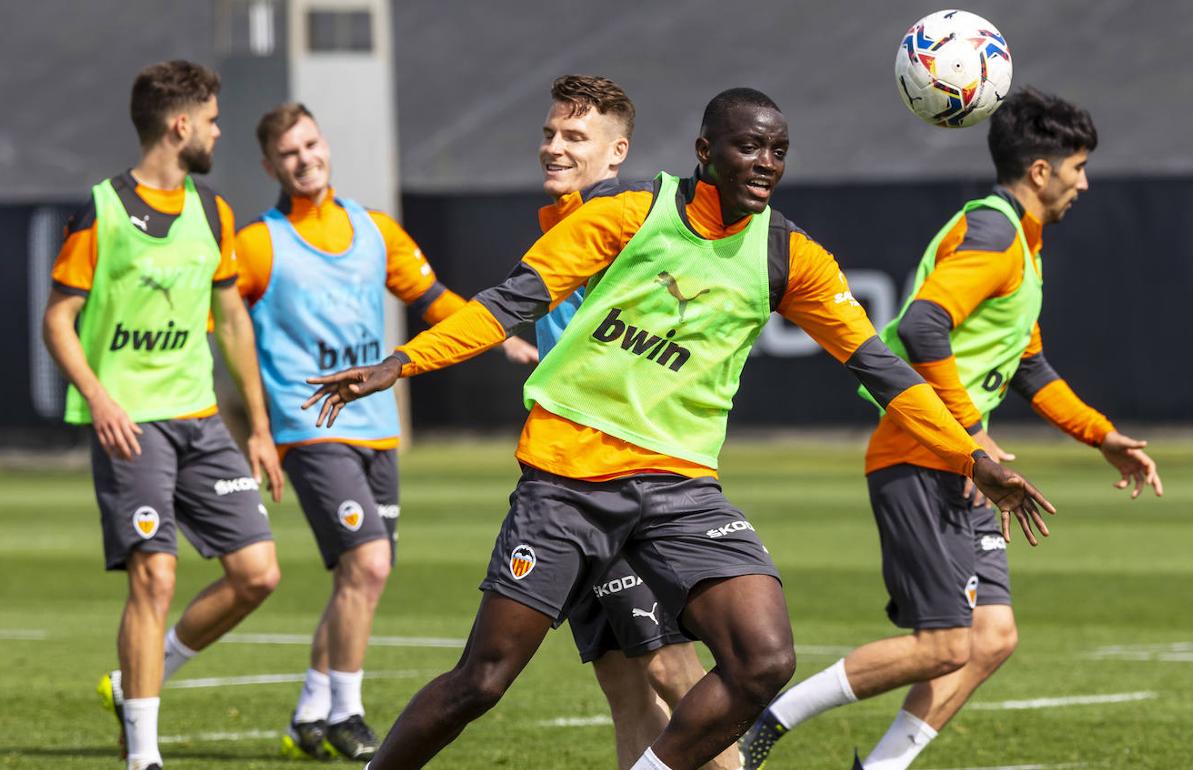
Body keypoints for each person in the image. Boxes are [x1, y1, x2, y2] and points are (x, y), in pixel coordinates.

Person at [305, 87, 1054, 770]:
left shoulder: (790, 256)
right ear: (705, 152)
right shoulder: (630, 211)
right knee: (483, 681)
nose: (766, 163)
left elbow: (883, 368)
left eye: (778, 152)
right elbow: (510, 301)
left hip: (679, 487)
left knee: (763, 659)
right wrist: (400, 363)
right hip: (568, 480)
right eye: (749, 147)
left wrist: (967, 453)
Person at [741, 87, 1163, 770]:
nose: (1084, 181)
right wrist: (972, 436)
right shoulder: (996, 235)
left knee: (991, 636)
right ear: (1040, 171)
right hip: (923, 457)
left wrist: (1102, 436)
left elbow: (1028, 365)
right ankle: (762, 724)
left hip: (962, 465)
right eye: (1078, 166)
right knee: (943, 645)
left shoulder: (1019, 242)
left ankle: (878, 769)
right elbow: (919, 325)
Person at [232, 102, 537, 761]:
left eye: (311, 144)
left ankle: (311, 710)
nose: (305, 158)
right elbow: (223, 326)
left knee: (362, 575)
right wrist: (255, 424)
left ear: (325, 145)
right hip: (311, 425)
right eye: (289, 153)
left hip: (378, 427)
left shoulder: (376, 231)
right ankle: (346, 712)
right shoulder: (257, 244)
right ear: (270, 166)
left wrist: (497, 337)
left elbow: (433, 303)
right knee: (367, 565)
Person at [42, 60, 283, 770]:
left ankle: (139, 682)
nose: (215, 132)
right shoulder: (103, 209)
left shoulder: (215, 212)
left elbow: (233, 321)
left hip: (201, 422)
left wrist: (261, 429)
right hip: (132, 426)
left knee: (258, 574)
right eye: (210, 120)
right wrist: (100, 396)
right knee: (155, 577)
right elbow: (59, 319)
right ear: (180, 126)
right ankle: (143, 755)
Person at [534, 74, 739, 770]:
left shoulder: (626, 226)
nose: (553, 147)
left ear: (616, 153)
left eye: (574, 137)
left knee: (674, 674)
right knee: (623, 683)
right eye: (550, 133)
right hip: (565, 485)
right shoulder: (562, 224)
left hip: (622, 483)